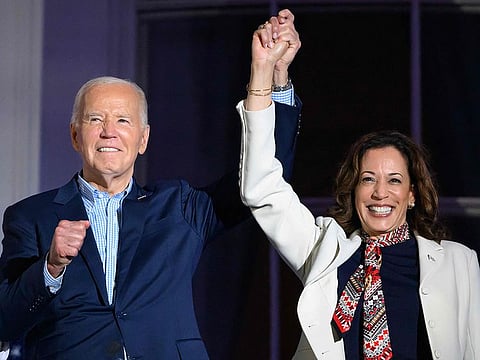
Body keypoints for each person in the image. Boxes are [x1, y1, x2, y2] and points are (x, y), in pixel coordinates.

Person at [0, 10, 301, 360]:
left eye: (123, 120)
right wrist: (50, 267)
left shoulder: (180, 206)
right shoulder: (30, 216)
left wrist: (274, 77)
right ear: (74, 136)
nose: (109, 130)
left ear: (143, 139)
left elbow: (265, 175)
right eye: (95, 119)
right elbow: (5, 321)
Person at [237, 13, 480, 360]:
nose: (381, 193)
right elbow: (261, 188)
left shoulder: (459, 263)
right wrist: (263, 71)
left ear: (412, 194)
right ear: (354, 189)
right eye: (368, 179)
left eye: (394, 180)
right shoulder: (325, 250)